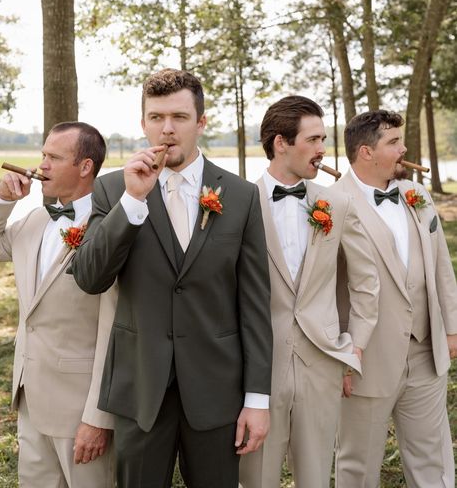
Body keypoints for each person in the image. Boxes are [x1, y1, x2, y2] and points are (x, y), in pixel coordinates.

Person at [71, 68, 273, 488]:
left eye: (179, 117)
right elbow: (90, 278)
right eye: (156, 117)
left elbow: (254, 305)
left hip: (218, 392)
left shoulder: (240, 196)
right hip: (139, 390)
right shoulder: (112, 191)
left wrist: (257, 399)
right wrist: (132, 201)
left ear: (201, 122)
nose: (166, 129)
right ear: (142, 122)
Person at [239, 96, 380, 488]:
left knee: (317, 477)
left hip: (322, 364)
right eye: (313, 139)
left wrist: (355, 347)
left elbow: (365, 281)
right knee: (255, 478)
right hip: (257, 371)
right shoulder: (239, 203)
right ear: (281, 143)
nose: (322, 150)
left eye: (323, 139)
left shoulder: (336, 202)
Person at [0, 122, 116, 488]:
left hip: (81, 411)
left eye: (54, 158)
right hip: (30, 399)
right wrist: (3, 200)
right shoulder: (35, 219)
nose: (42, 165)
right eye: (43, 155)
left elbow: (112, 330)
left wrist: (98, 418)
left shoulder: (110, 230)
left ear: (85, 166)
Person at [334, 109, 457, 488]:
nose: (404, 149)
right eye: (394, 142)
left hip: (425, 351)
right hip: (365, 359)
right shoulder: (331, 204)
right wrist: (341, 354)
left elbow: (441, 266)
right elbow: (320, 289)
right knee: (358, 465)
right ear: (366, 152)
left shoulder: (415, 194)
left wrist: (451, 329)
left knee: (433, 459)